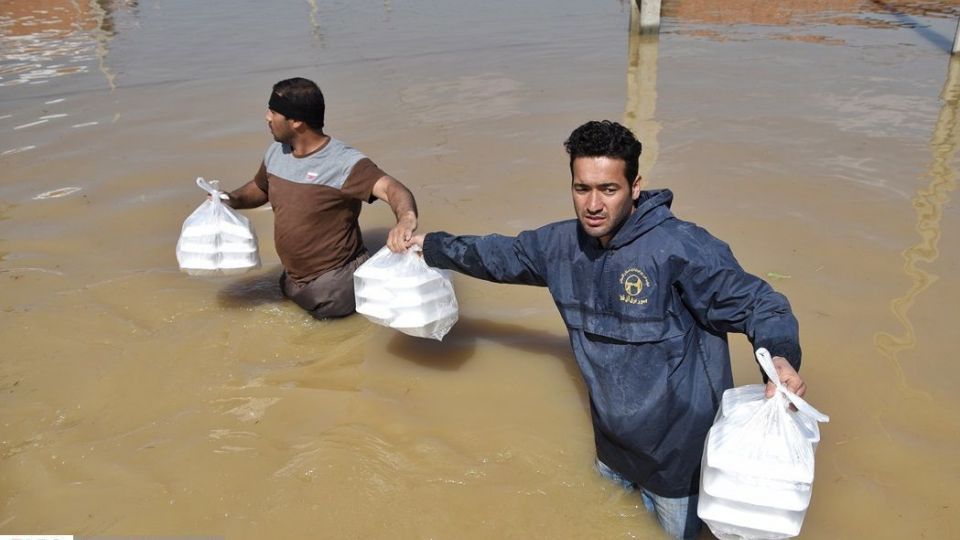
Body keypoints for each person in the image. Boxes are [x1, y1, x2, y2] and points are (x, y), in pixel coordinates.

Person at [409, 120, 807, 539]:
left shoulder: (683, 250)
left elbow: (761, 304)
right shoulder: (560, 247)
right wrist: (428, 246)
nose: (593, 204)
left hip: (678, 467)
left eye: (608, 189)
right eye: (582, 189)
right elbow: (495, 255)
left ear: (635, 186)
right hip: (611, 453)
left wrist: (779, 359)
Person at [224, 77, 419, 319]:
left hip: (333, 286)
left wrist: (405, 220)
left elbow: (393, 189)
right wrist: (228, 199)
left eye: (274, 111)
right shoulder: (277, 151)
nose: (267, 117)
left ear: (296, 121)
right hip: (291, 280)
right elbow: (260, 188)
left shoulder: (344, 163)